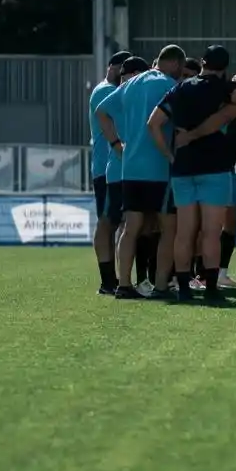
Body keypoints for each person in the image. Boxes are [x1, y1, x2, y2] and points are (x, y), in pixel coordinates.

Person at [151, 45, 236, 303]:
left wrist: (169, 155)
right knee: (211, 232)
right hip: (215, 169)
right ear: (225, 68)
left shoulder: (181, 88)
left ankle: (184, 288)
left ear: (202, 62)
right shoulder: (224, 89)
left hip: (183, 168)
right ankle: (211, 288)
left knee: (184, 232)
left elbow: (153, 123)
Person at [95, 45, 187, 300]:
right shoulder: (171, 85)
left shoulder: (130, 84)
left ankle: (124, 285)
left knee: (131, 227)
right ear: (176, 64)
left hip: (131, 167)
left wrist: (116, 144)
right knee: (168, 228)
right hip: (161, 167)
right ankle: (160, 286)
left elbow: (101, 111)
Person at [89, 51, 131, 294]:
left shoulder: (108, 89)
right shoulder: (106, 91)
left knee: (117, 221)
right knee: (108, 222)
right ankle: (107, 281)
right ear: (113, 68)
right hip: (107, 166)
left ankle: (113, 279)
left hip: (114, 165)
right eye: (123, 70)